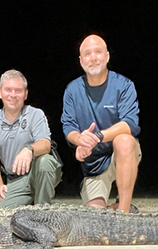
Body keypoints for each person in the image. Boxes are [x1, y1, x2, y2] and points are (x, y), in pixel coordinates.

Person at [61, 34, 141, 213]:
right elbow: (69, 127)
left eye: (98, 52)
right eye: (87, 54)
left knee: (124, 140)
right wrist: (80, 141)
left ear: (107, 56)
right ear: (81, 60)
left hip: (121, 154)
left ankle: (124, 213)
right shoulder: (72, 90)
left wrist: (97, 137)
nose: (93, 58)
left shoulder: (124, 85)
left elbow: (130, 124)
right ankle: (115, 208)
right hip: (94, 164)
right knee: (95, 215)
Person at [0, 69, 62, 207]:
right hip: (16, 180)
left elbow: (46, 144)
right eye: (8, 90)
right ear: (0, 92)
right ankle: (29, 200)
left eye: (18, 90)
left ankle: (42, 209)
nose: (13, 95)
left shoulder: (35, 114)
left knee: (45, 161)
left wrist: (29, 150)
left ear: (25, 94)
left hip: (38, 172)